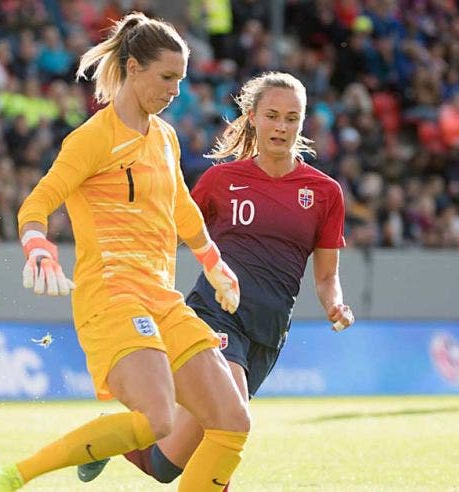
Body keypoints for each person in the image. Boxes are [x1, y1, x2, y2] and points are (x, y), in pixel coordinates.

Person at [0, 12, 251, 491]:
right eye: (167, 78)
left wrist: (213, 262)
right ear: (133, 68)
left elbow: (181, 206)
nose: (175, 91)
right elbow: (38, 202)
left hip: (163, 298)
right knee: (158, 420)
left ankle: (100, 448)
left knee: (232, 421)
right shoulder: (91, 139)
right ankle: (12, 477)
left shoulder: (164, 136)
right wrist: (38, 247)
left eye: (181, 80)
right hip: (112, 295)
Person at [77, 71, 355, 488]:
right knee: (231, 423)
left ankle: (112, 435)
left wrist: (335, 303)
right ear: (253, 117)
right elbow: (169, 231)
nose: (281, 127)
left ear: (303, 122)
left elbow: (327, 275)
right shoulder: (221, 182)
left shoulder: (324, 192)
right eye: (273, 116)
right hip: (216, 314)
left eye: (291, 118)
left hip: (268, 333)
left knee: (164, 466)